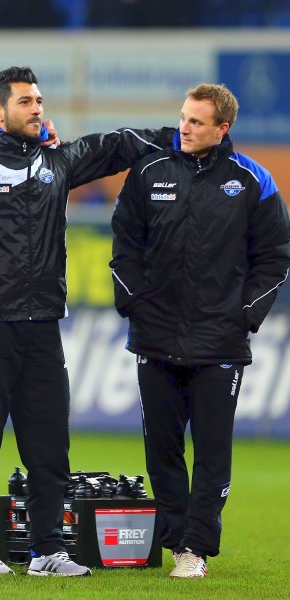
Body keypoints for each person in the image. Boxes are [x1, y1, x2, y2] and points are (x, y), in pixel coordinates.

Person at [0, 66, 174, 576]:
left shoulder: (58, 160)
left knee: (49, 444)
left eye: (39, 101)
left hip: (44, 321)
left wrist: (183, 135)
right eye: (25, 101)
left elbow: (118, 145)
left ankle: (49, 550)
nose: (38, 109)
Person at [110, 83, 290, 579]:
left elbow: (275, 259)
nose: (184, 128)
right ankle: (175, 543)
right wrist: (135, 303)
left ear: (222, 128)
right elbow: (124, 243)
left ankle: (196, 549)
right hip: (155, 337)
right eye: (183, 118)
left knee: (212, 451)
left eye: (196, 121)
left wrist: (243, 315)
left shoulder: (253, 180)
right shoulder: (148, 172)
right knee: (162, 449)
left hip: (221, 343)